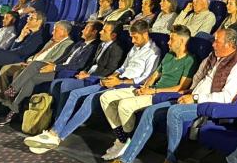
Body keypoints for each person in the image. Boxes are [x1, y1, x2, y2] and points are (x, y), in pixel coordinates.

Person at [97, 29, 237, 163]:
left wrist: (195, 98)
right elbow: (197, 80)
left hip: (207, 106)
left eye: (217, 41)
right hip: (190, 98)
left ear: (230, 44)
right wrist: (189, 94)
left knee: (174, 112)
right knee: (151, 111)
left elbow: (226, 97)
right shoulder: (213, 57)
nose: (213, 44)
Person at [23, 20, 160, 154]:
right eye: (131, 37)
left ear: (145, 34)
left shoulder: (154, 52)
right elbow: (123, 67)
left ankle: (58, 136)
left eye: (135, 37)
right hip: (116, 80)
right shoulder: (135, 48)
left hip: (127, 85)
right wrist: (115, 75)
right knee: (75, 94)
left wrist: (119, 82)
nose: (133, 41)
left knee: (89, 99)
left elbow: (144, 78)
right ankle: (54, 132)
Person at [94, 25, 198, 163]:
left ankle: (125, 139)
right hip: (150, 90)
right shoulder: (168, 55)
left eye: (172, 39)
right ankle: (124, 138)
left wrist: (153, 91)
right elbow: (154, 76)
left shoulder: (190, 60)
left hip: (162, 95)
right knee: (106, 97)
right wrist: (145, 87)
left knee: (124, 105)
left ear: (182, 41)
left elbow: (180, 88)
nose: (168, 42)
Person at [0, 22, 102, 123]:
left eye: (86, 28)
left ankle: (9, 93)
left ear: (94, 32)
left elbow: (78, 66)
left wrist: (54, 67)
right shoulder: (79, 44)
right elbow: (64, 58)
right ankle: (13, 110)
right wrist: (53, 65)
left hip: (67, 73)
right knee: (31, 79)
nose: (82, 31)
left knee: (34, 65)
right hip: (59, 68)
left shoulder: (93, 47)